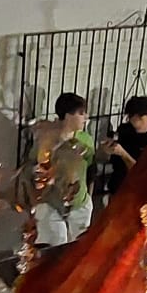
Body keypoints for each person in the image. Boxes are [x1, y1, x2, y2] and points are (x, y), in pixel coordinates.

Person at [33, 93, 97, 245]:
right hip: (51, 203)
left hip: (79, 202)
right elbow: (36, 167)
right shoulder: (47, 139)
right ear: (68, 116)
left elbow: (91, 169)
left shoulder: (85, 140)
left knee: (80, 246)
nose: (85, 117)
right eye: (81, 113)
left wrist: (88, 197)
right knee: (55, 245)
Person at [105, 96, 147, 197]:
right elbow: (113, 161)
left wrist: (123, 153)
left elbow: (140, 173)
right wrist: (108, 149)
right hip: (117, 186)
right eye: (131, 116)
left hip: (137, 191)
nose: (134, 120)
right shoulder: (124, 130)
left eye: (139, 117)